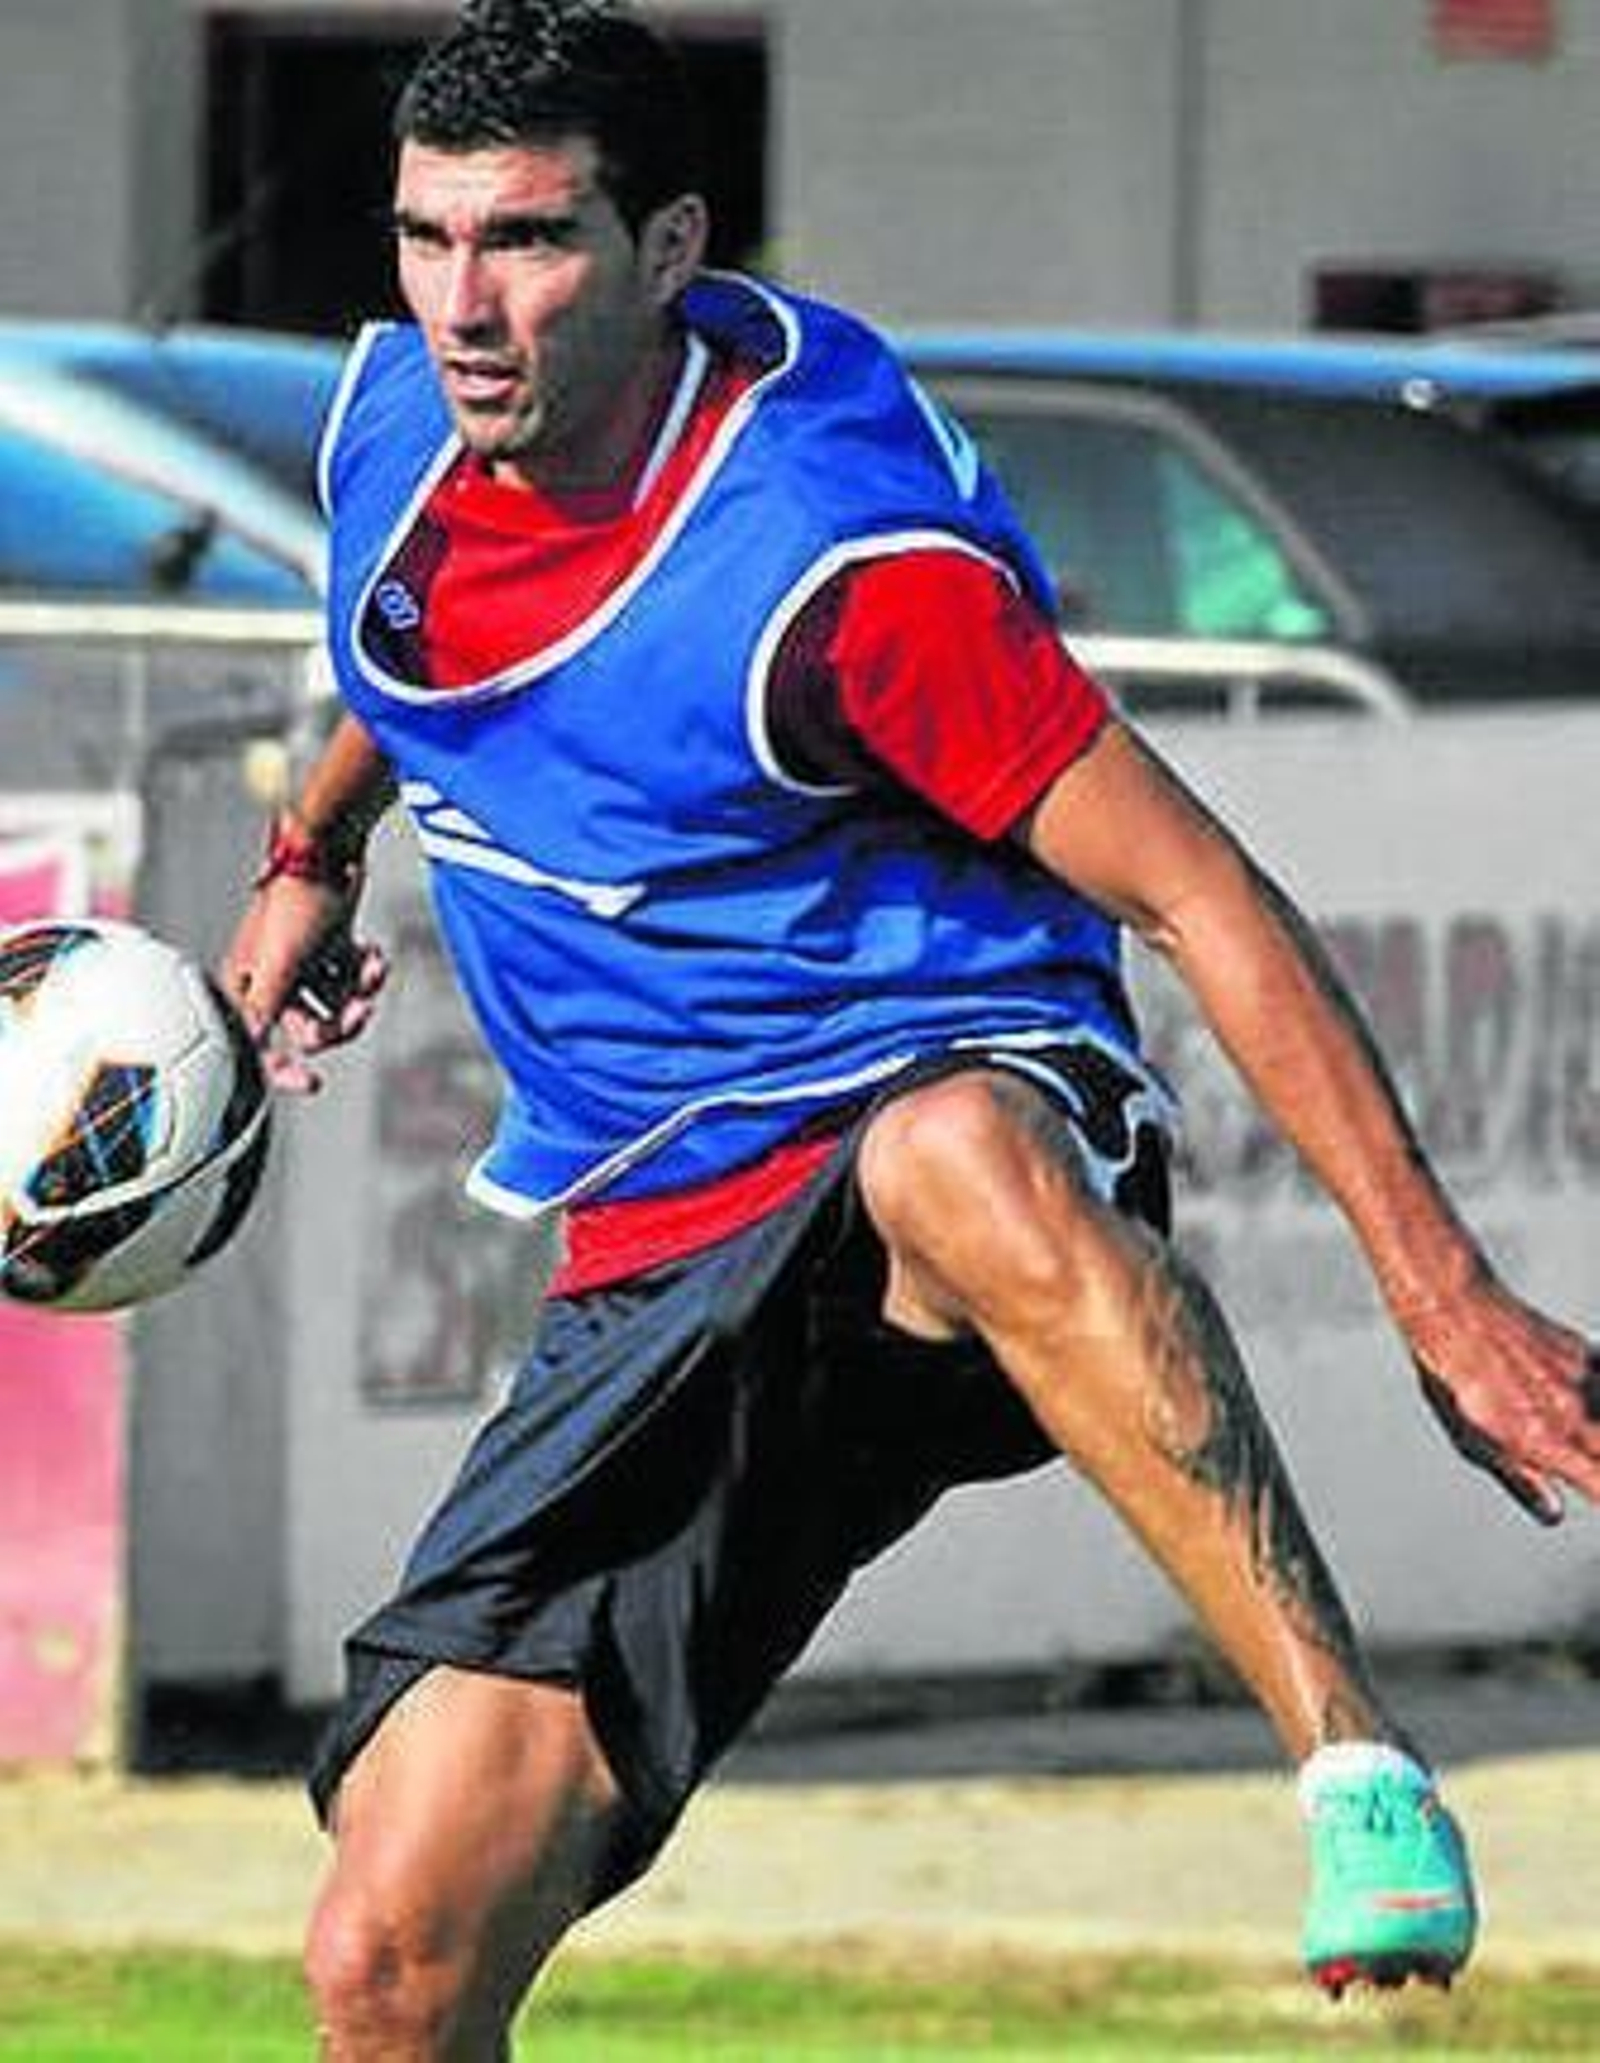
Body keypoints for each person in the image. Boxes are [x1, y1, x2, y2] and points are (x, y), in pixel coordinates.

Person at [222, 2, 1600, 2054]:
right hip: (657, 1240)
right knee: (387, 1963)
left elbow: (1200, 892)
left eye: (526, 240)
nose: (463, 304)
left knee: (940, 1155)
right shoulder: (402, 429)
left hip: (939, 1094)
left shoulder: (836, 569)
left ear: (669, 246)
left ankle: (1353, 1768)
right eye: (427, 238)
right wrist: (311, 854)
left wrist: (1442, 1296)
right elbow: (408, 641)